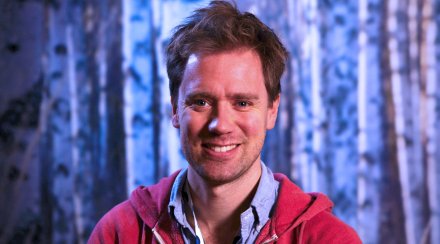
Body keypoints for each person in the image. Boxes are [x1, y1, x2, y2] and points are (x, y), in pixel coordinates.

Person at [88, 1, 361, 243]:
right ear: (175, 109)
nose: (220, 125)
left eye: (242, 103)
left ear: (272, 110)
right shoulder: (118, 234)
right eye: (201, 102)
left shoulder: (330, 239)